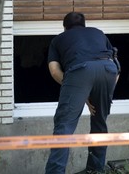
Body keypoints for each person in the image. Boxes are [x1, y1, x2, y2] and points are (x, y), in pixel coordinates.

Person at [45, 12, 120, 174]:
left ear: (65, 27)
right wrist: (97, 92)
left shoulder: (58, 39)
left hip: (80, 70)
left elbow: (54, 71)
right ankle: (95, 170)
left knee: (64, 126)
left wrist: (81, 89)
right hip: (109, 70)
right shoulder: (98, 33)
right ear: (85, 25)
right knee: (100, 122)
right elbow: (116, 66)